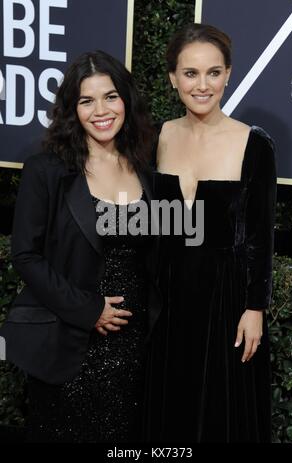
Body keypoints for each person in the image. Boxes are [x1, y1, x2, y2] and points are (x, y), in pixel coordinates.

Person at [0, 50, 161, 443]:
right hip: (69, 342)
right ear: (73, 109)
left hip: (137, 349)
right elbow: (25, 255)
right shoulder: (47, 170)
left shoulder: (148, 166)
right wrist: (90, 310)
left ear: (126, 100)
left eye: (110, 96)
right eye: (86, 100)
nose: (100, 110)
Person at [146, 24, 277, 442]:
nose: (202, 85)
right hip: (165, 299)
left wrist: (255, 308)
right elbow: (148, 223)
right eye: (190, 73)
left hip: (226, 301)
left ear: (228, 74)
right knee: (168, 410)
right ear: (173, 77)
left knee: (222, 416)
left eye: (213, 73)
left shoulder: (253, 144)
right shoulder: (158, 136)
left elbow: (260, 237)